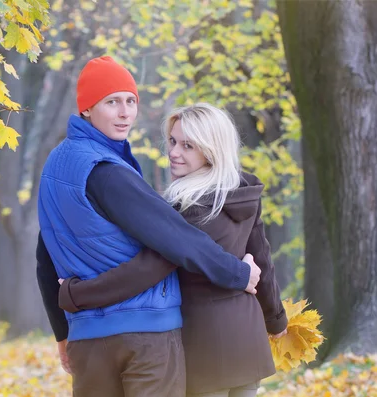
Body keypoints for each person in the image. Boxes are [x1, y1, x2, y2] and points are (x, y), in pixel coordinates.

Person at [37, 57, 262, 397]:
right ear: (86, 109)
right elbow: (176, 239)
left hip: (86, 340)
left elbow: (46, 257)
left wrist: (62, 332)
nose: (125, 113)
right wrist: (239, 274)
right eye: (112, 102)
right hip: (146, 337)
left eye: (130, 101)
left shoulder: (56, 167)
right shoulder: (108, 172)